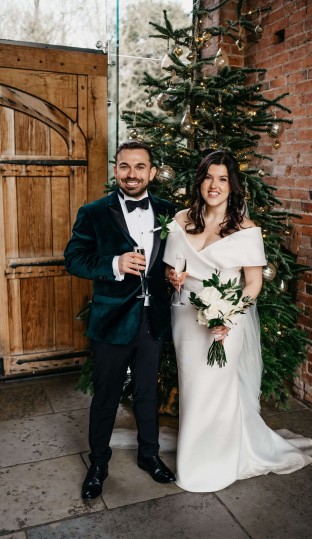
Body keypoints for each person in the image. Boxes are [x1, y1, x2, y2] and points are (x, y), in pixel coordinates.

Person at [163, 150, 312, 493]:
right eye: (208, 177)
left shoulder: (246, 230)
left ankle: (212, 463)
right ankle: (195, 452)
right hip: (185, 317)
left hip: (225, 323)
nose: (213, 185)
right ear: (199, 181)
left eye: (221, 179)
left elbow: (254, 283)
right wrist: (174, 277)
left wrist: (230, 314)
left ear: (232, 186)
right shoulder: (181, 219)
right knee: (192, 389)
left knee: (215, 389)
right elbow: (173, 267)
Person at [64, 140, 176, 500]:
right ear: (116, 170)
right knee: (106, 396)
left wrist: (176, 275)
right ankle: (98, 463)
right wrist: (114, 265)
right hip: (111, 320)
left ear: (152, 173)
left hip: (153, 320)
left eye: (140, 167)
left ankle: (149, 455)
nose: (132, 174)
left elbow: (175, 257)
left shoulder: (168, 210)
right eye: (125, 166)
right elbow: (74, 258)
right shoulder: (94, 211)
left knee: (147, 393)